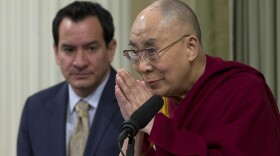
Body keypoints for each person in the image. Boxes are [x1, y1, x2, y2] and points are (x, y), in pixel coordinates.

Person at [115, 0, 280, 155]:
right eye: (135, 52)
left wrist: (155, 124)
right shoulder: (161, 101)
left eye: (151, 51)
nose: (142, 67)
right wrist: (136, 121)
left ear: (190, 47)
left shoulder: (243, 90)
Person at [17, 1, 124, 156]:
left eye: (91, 48)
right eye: (69, 50)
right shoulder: (34, 109)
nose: (79, 62)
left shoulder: (136, 106)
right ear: (56, 52)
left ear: (110, 49)